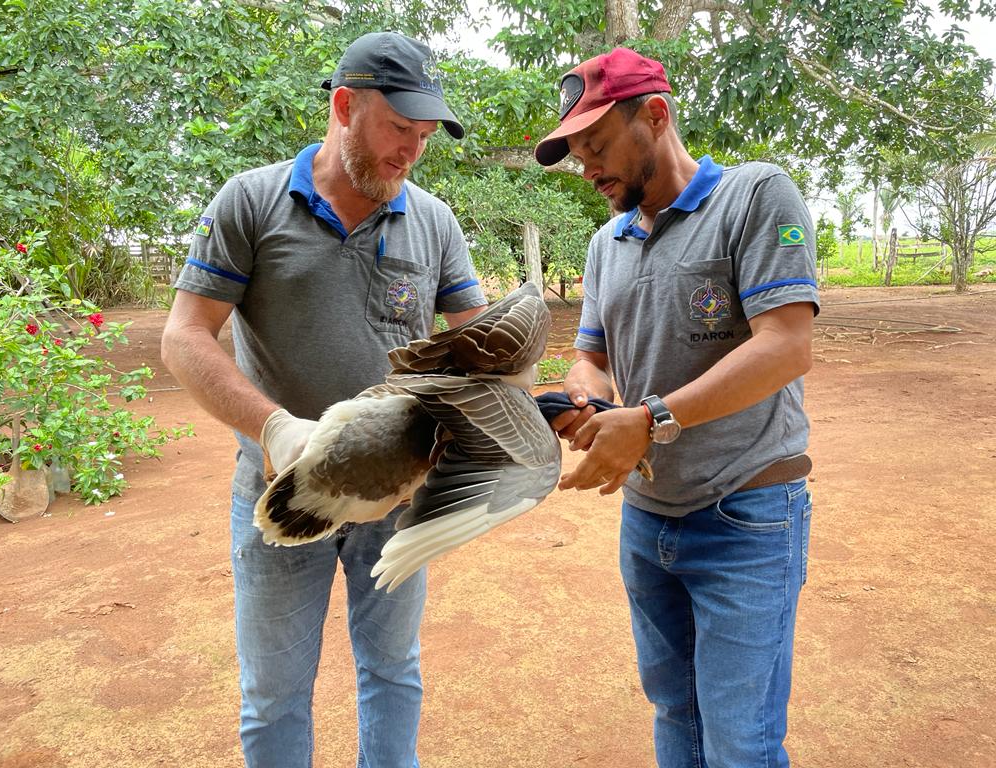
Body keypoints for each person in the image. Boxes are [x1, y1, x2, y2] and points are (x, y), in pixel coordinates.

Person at [160, 31, 487, 768]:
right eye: (400, 129)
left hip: (399, 497)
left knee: (393, 671)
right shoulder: (249, 202)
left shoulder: (433, 222)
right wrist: (274, 428)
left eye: (426, 135)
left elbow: (479, 348)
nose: (412, 151)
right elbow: (184, 337)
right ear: (344, 106)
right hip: (284, 486)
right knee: (274, 693)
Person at [534, 48, 818, 768]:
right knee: (675, 715)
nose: (588, 168)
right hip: (647, 519)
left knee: (740, 740)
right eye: (576, 154)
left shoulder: (755, 198)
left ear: (654, 116)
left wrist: (650, 420)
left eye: (597, 146)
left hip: (745, 516)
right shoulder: (606, 243)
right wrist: (589, 400)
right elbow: (591, 356)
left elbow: (786, 345)